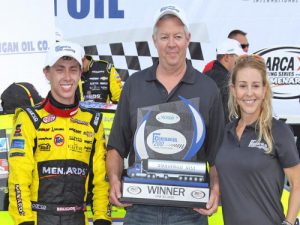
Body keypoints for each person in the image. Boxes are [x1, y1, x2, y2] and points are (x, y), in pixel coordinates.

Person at [106, 5, 224, 225]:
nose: (172, 44)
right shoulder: (134, 85)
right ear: (154, 40)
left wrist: (216, 187)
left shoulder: (208, 88)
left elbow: (217, 153)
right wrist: (114, 179)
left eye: (178, 36)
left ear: (188, 39)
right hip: (140, 209)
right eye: (165, 37)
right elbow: (115, 146)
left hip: (191, 211)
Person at [8, 41, 111, 225]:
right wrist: (24, 220)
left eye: (73, 69)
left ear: (80, 73)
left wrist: (102, 218)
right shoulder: (30, 118)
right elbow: (18, 177)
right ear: (47, 73)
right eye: (59, 69)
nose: (67, 77)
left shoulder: (93, 121)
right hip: (39, 218)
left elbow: (101, 178)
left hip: (78, 218)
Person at [215, 55, 300, 225]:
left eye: (255, 86)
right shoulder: (225, 133)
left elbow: (297, 184)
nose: (249, 93)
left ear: (264, 90)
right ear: (233, 90)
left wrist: (289, 223)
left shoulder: (278, 131)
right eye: (242, 86)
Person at [205, 39, 244, 123]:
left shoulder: (205, 75)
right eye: (238, 59)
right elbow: (227, 119)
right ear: (226, 57)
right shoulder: (227, 81)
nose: (241, 63)